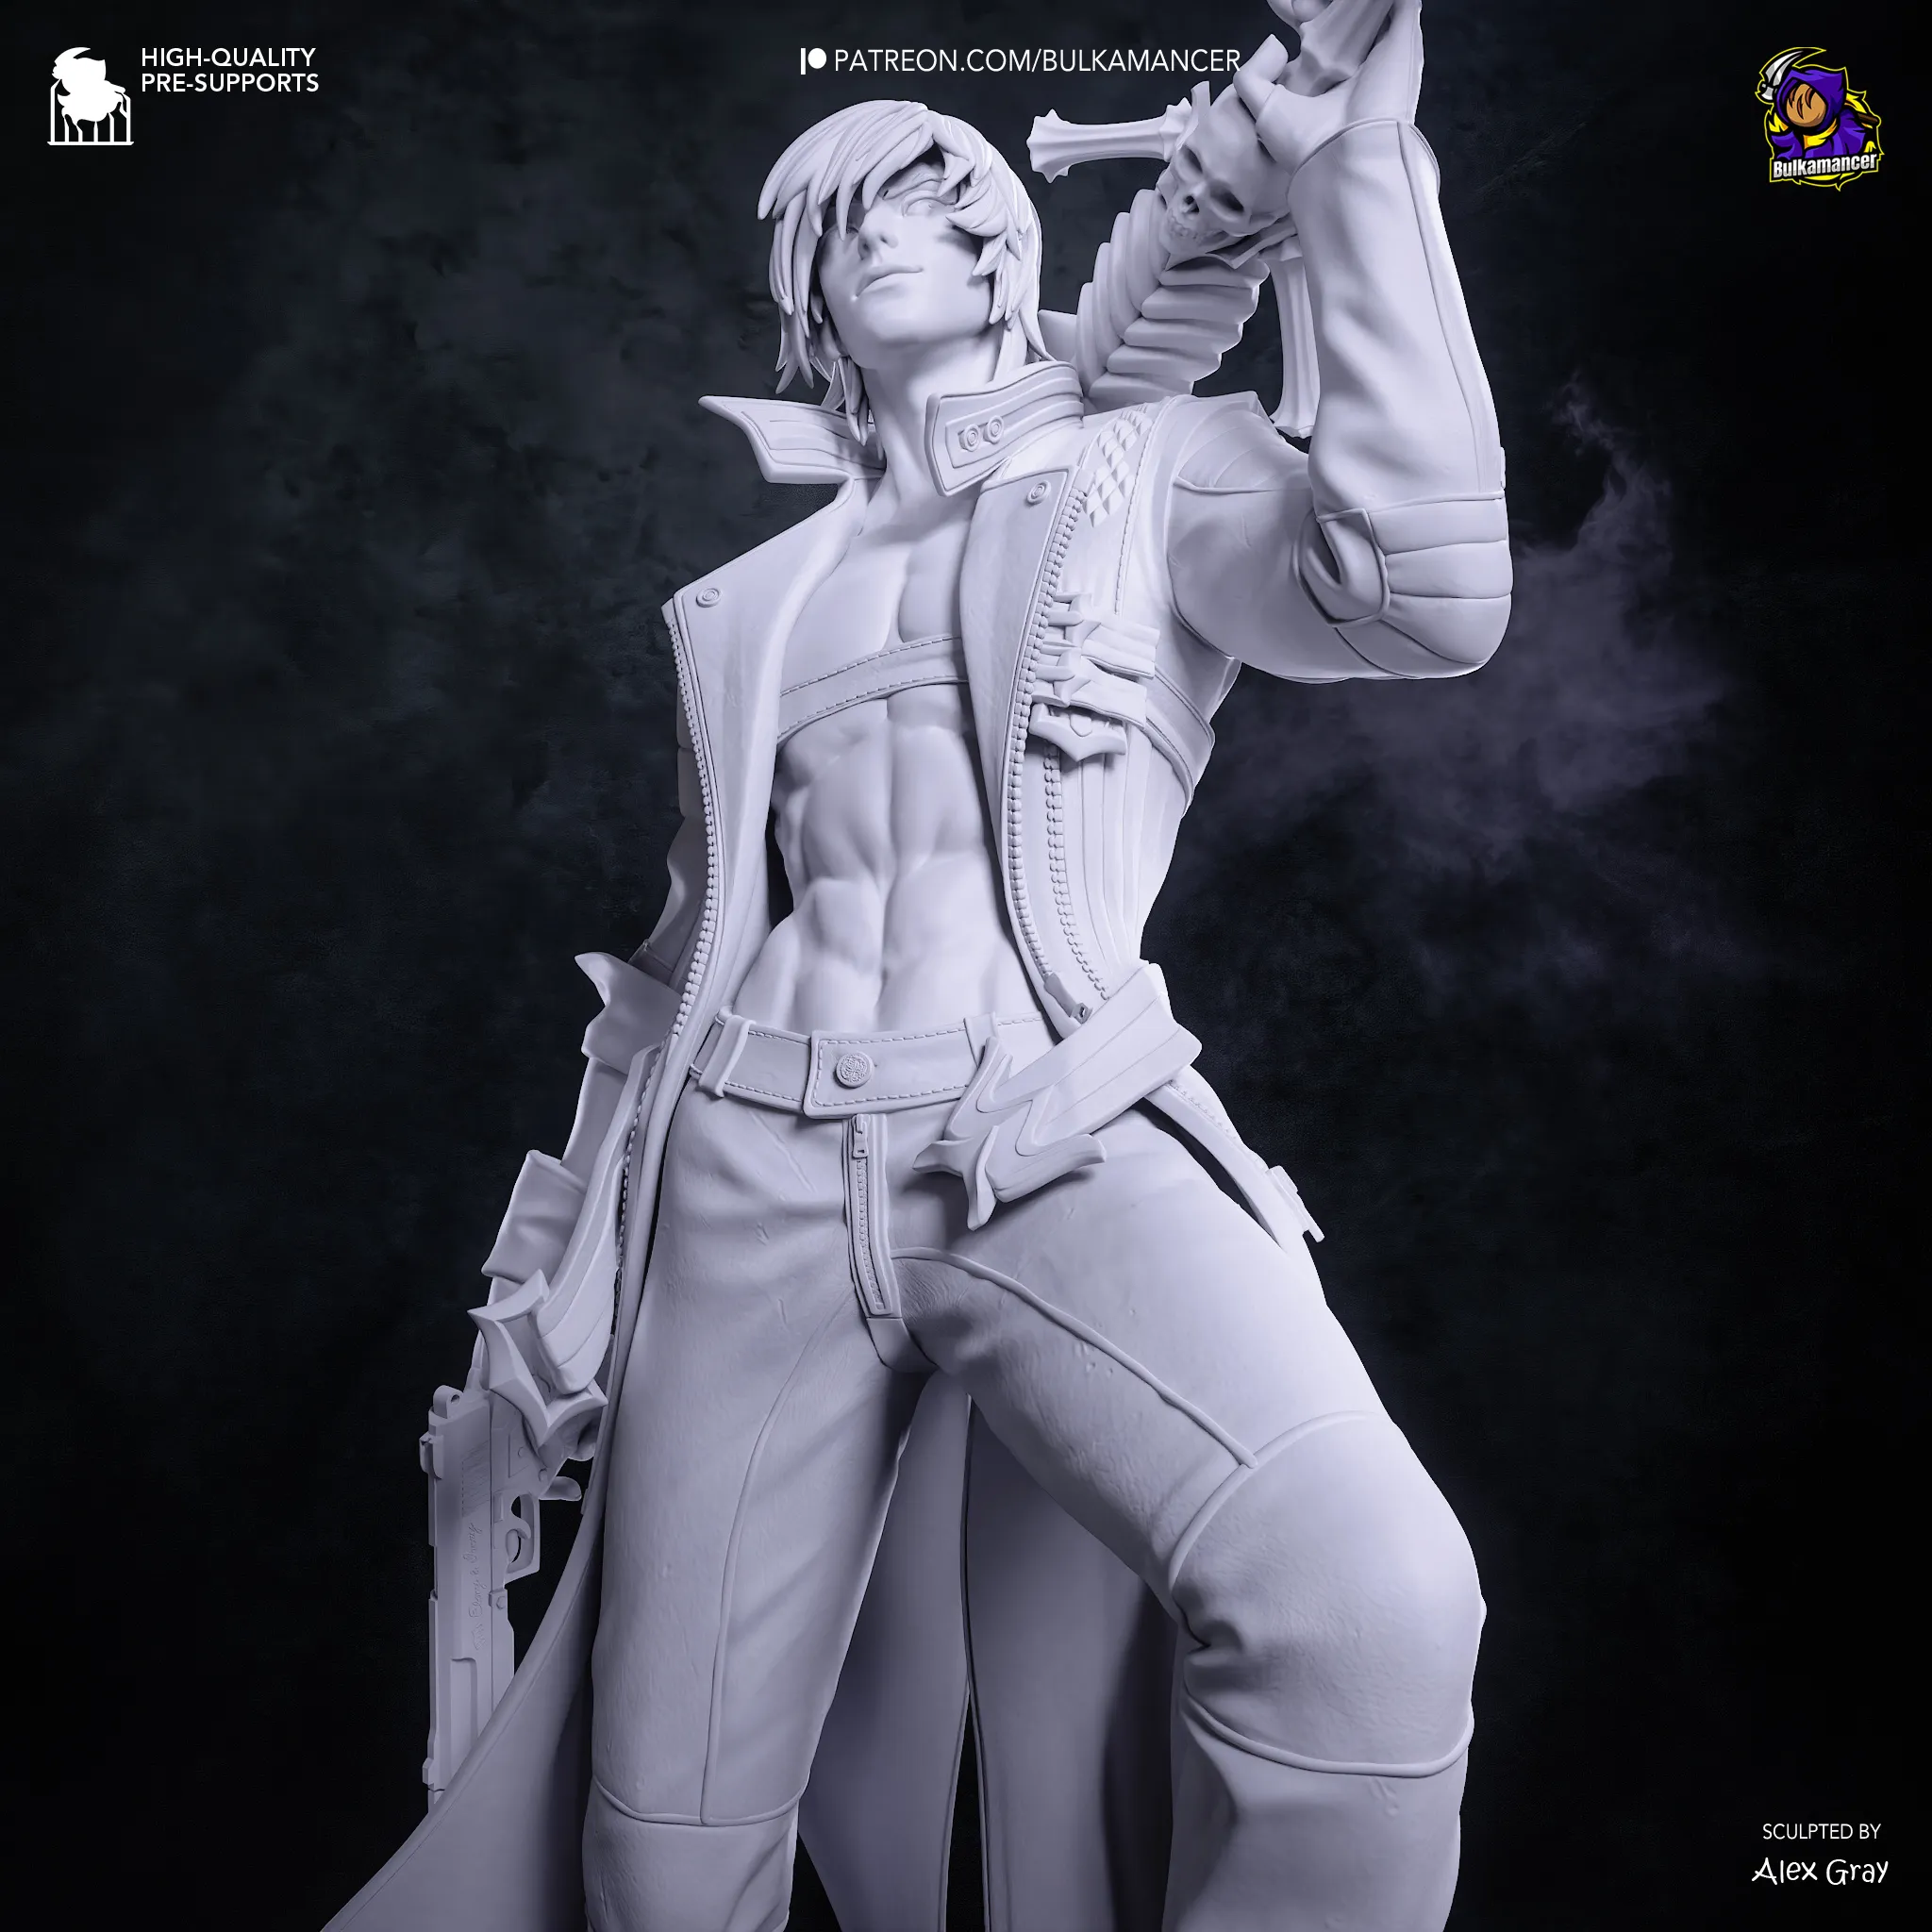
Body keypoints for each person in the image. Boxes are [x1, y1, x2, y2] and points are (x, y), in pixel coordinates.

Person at [326, 5, 1509, 1928]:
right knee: (662, 1844)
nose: (909, 225)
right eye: (856, 210)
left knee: (1370, 1605)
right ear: (806, 289)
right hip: (744, 1177)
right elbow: (680, 958)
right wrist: (552, 1275)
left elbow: (1420, 596)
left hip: (1040, 1125)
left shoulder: (1145, 471)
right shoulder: (740, 606)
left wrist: (1353, 173)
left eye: (943, 196)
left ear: (1005, 249)